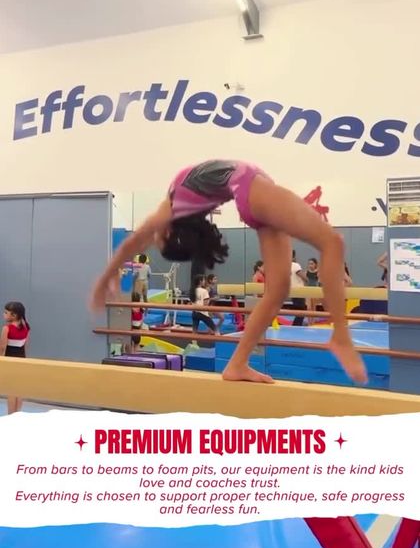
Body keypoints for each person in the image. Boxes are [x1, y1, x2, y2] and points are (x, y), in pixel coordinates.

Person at [91, 159, 367, 384]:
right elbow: (135, 241)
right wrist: (107, 275)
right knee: (332, 242)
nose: (154, 236)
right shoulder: (168, 212)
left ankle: (237, 364)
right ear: (169, 232)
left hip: (253, 200)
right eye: (159, 238)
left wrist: (107, 276)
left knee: (278, 290)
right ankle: (341, 336)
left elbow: (134, 243)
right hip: (252, 189)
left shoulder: (176, 207)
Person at [0, 302, 30, 414]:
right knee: (19, 390)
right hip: (21, 360)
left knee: (11, 391)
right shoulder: (26, 327)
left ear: (14, 315)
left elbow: (2, 347)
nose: (3, 314)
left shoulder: (7, 328)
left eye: (6, 312)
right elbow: (25, 346)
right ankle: (18, 414)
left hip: (10, 361)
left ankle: (10, 415)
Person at [290, 250, 308, 326]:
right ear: (294, 257)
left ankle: (296, 325)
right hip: (299, 291)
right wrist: (307, 280)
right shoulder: (295, 265)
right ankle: (296, 325)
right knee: (301, 310)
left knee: (298, 310)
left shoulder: (285, 265)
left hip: (292, 290)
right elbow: (304, 277)